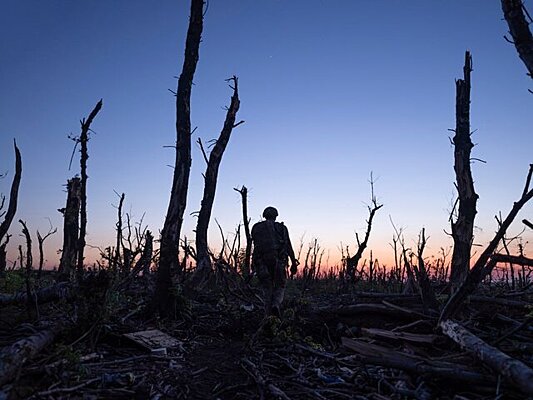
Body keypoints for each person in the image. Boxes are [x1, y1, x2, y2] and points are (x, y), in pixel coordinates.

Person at [251, 206, 299, 317]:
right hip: (278, 261)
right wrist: (293, 263)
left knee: (267, 287)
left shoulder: (256, 228)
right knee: (280, 285)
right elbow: (288, 246)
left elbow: (255, 247)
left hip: (261, 262)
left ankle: (268, 313)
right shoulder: (281, 228)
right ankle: (276, 305)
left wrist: (253, 264)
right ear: (276, 216)